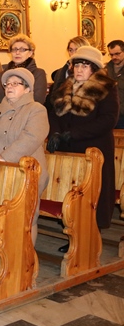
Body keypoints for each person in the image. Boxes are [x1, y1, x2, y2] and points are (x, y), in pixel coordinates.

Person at [47, 46, 118, 236]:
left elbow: (108, 120)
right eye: (77, 65)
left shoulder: (106, 88)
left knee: (91, 195)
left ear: (94, 69)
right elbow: (54, 114)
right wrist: (55, 133)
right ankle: (73, 236)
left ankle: (91, 235)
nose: (79, 69)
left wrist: (74, 133)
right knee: (71, 194)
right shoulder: (65, 86)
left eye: (85, 66)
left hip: (93, 149)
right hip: (68, 149)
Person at [0, 68, 49, 256]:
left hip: (26, 172)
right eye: (7, 84)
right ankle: (5, 254)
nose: (9, 87)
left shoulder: (36, 110)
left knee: (26, 217)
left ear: (28, 89)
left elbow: (31, 137)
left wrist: (4, 157)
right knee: (1, 214)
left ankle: (24, 259)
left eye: (15, 84)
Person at [0, 34, 47, 107]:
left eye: (22, 50)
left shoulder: (38, 74)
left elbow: (37, 100)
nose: (17, 53)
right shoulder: (2, 75)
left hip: (27, 113)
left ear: (30, 53)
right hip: (1, 113)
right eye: (14, 49)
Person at [47, 36, 90, 110]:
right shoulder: (60, 72)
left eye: (77, 50)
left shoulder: (90, 72)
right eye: (71, 50)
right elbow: (53, 98)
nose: (73, 54)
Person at [104, 40, 124, 128]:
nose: (114, 57)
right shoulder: (105, 70)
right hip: (109, 116)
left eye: (117, 54)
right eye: (111, 55)